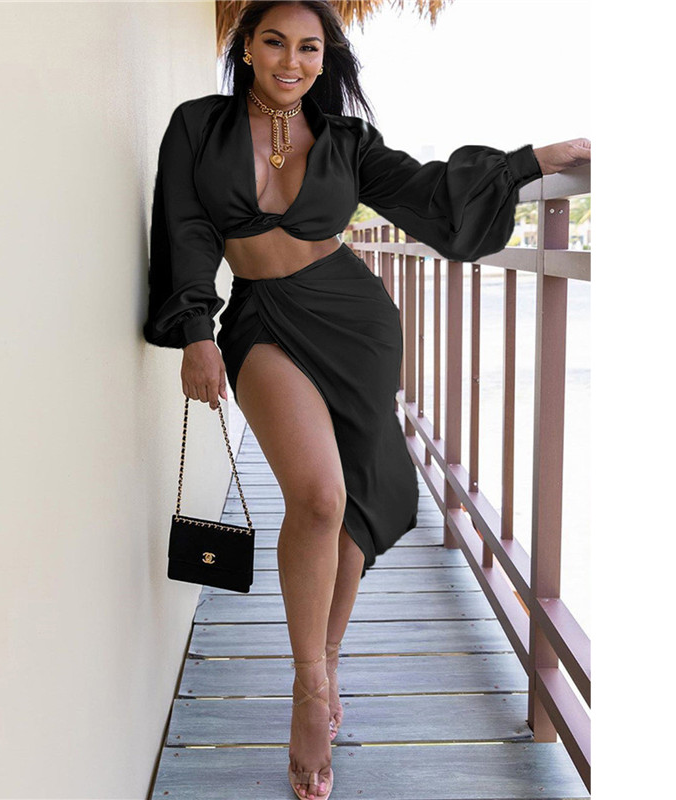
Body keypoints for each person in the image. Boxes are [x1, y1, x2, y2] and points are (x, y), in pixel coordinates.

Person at [143, 3, 591, 798]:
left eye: (308, 48)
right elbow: (183, 229)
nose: (291, 60)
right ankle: (310, 688)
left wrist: (534, 160)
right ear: (246, 48)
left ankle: (324, 658)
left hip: (355, 324)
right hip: (261, 321)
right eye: (274, 42)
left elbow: (431, 193)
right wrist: (196, 333)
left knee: (357, 501)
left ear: (326, 58)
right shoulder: (197, 127)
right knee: (319, 497)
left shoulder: (347, 141)